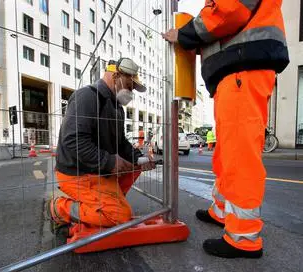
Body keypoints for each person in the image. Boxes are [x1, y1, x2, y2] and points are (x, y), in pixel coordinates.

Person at [163, 0, 289, 258]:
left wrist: (184, 34)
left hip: (243, 70)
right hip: (237, 71)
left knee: (240, 156)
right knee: (228, 153)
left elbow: (228, 9)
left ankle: (243, 238)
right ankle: (222, 211)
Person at [47, 58, 156, 235]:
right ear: (116, 75)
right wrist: (109, 161)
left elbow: (120, 143)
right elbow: (73, 140)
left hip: (96, 170)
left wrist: (138, 158)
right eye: (130, 85)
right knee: (121, 217)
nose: (131, 91)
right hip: (77, 172)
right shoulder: (87, 97)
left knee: (135, 166)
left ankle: (106, 202)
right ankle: (60, 208)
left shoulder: (117, 107)